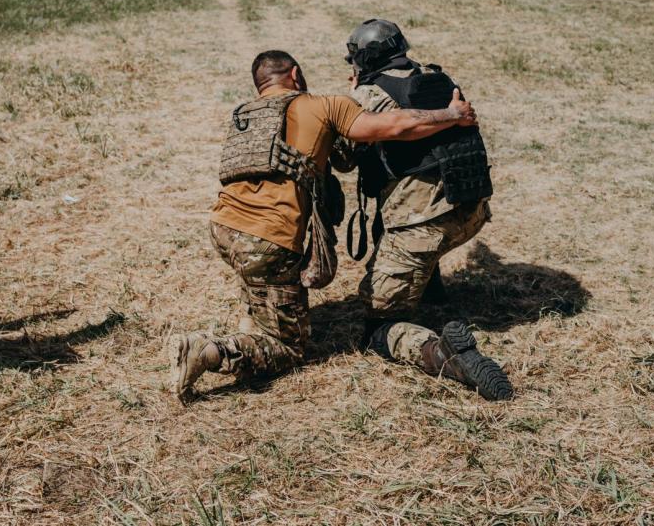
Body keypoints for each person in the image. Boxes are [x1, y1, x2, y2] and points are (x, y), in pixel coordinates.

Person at [168, 50, 488, 401]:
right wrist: (452, 114)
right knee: (286, 347)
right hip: (267, 241)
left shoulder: (245, 115)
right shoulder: (323, 105)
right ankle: (210, 350)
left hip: (223, 228)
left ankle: (255, 314)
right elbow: (393, 126)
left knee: (259, 276)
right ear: (296, 74)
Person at [342, 18, 512, 401]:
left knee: (377, 328)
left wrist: (352, 99)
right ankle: (431, 288)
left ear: (363, 59)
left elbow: (346, 156)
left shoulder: (369, 94)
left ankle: (446, 356)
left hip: (423, 228)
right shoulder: (438, 78)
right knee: (408, 223)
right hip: (470, 211)